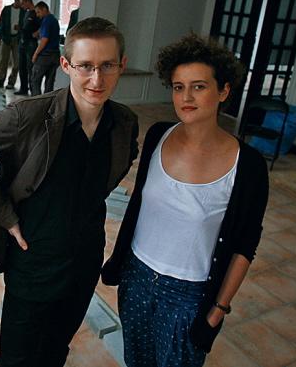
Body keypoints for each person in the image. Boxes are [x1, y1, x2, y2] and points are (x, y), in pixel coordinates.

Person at [0, 17, 139, 367]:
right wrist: (5, 215)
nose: (97, 79)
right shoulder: (29, 115)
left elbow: (119, 164)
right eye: (85, 66)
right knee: (17, 359)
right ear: (66, 65)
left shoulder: (124, 122)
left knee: (56, 352)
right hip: (33, 259)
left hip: (84, 260)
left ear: (122, 65)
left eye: (107, 65)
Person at [101, 34, 269, 367]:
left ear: (224, 91)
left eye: (199, 87)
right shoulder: (157, 135)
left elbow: (245, 246)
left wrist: (217, 311)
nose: (186, 97)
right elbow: (140, 207)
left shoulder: (248, 165)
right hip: (136, 279)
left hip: (188, 296)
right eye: (178, 87)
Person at [0, 0, 26, 89]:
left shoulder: (24, 11)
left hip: (17, 39)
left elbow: (25, 26)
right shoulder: (7, 9)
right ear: (15, 0)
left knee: (17, 63)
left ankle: (11, 82)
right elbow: (1, 22)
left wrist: (20, 28)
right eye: (18, 0)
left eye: (21, 1)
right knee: (3, 61)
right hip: (6, 38)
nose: (19, 3)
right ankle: (0, 80)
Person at [30, 1, 60, 96]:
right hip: (55, 55)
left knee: (35, 80)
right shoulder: (54, 20)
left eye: (38, 12)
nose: (37, 15)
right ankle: (48, 102)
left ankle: (36, 102)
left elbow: (44, 40)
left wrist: (35, 54)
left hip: (45, 56)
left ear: (44, 9)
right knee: (49, 82)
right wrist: (38, 32)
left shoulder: (46, 21)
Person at [15, 0, 40, 96]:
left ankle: (33, 90)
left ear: (28, 2)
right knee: (22, 67)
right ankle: (23, 88)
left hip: (31, 44)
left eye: (22, 4)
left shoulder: (36, 13)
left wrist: (38, 32)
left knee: (30, 67)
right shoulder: (27, 13)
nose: (21, 6)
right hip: (23, 42)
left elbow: (42, 25)